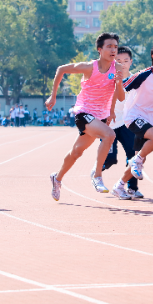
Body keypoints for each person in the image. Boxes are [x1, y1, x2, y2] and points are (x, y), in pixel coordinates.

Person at [47, 33, 122, 201]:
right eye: (109, 46)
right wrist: (53, 96)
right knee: (109, 135)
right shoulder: (90, 67)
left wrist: (111, 110)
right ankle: (97, 175)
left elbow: (118, 93)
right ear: (100, 49)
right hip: (84, 113)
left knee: (76, 152)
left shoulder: (117, 68)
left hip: (100, 116)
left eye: (115, 47)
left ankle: (57, 178)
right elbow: (61, 69)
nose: (113, 50)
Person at [110, 40, 153, 200]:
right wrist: (109, 111)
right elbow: (121, 88)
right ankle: (136, 161)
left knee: (138, 157)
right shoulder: (144, 75)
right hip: (133, 116)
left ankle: (118, 186)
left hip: (149, 118)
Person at [100, 46, 140, 197]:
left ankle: (132, 188)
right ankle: (97, 171)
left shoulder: (136, 79)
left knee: (133, 156)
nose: (122, 64)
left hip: (127, 123)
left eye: (125, 61)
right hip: (108, 123)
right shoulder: (108, 77)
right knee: (110, 159)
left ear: (131, 62)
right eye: (118, 61)